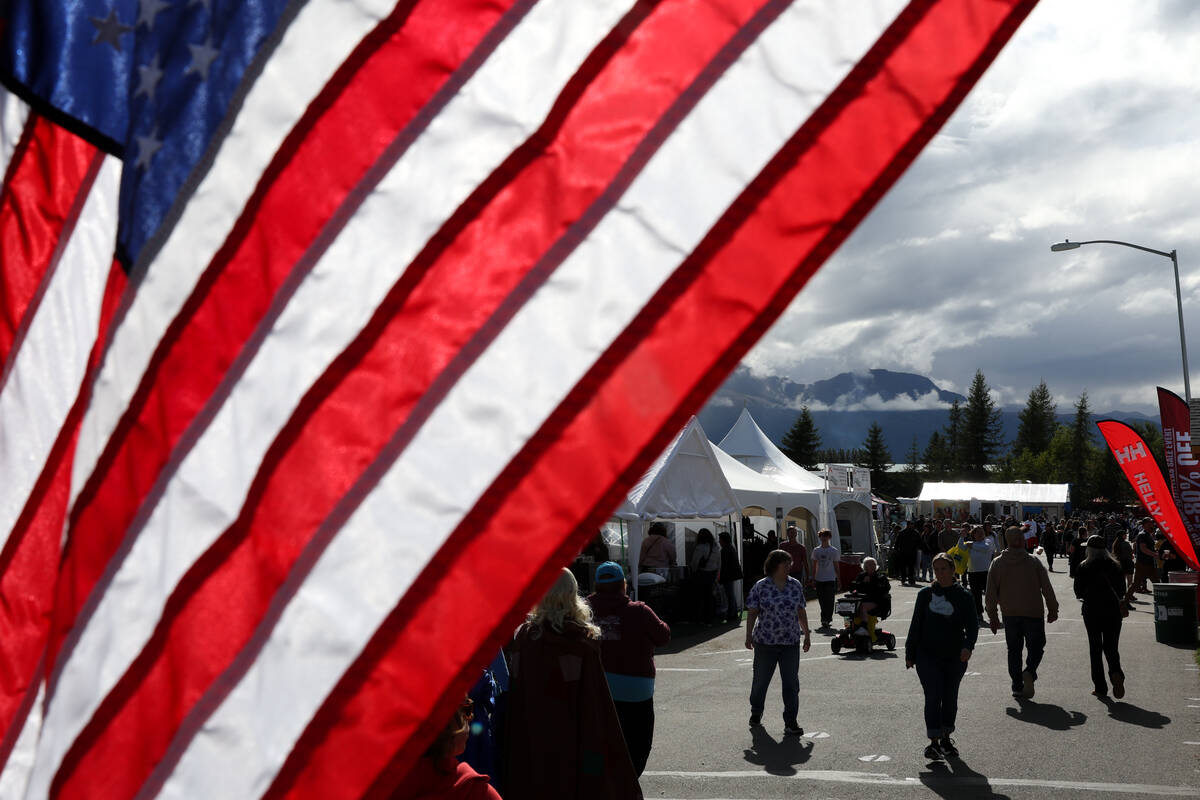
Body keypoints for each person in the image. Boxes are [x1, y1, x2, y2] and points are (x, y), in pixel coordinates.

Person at [504, 569, 642, 799]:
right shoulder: (582, 642)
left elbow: (517, 693)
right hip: (575, 735)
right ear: (572, 594)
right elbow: (596, 702)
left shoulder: (525, 639)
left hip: (532, 735)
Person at [587, 562, 671, 777]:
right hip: (636, 689)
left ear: (596, 585)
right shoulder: (640, 611)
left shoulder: (584, 613)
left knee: (601, 743)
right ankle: (629, 782)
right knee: (639, 744)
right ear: (623, 585)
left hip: (598, 689)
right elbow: (664, 636)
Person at [905, 553, 977, 761]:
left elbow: (972, 626)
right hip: (927, 655)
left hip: (954, 656)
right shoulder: (925, 594)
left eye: (943, 568)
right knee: (933, 696)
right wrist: (910, 653)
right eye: (936, 569)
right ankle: (934, 742)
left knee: (950, 698)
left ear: (953, 570)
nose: (939, 573)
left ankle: (946, 738)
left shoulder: (964, 596)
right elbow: (915, 625)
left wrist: (968, 647)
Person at [985, 527, 1058, 699]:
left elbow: (990, 594)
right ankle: (1030, 671)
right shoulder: (1033, 561)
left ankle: (1017, 685)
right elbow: (1047, 588)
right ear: (1022, 539)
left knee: (1014, 650)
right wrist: (1053, 609)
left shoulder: (997, 563)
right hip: (1033, 612)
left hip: (1010, 613)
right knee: (1037, 647)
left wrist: (993, 617)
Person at [744, 549, 812, 735]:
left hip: (790, 641)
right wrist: (748, 635)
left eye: (790, 564)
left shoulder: (795, 585)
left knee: (791, 683)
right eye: (786, 564)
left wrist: (806, 634)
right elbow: (752, 612)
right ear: (775, 566)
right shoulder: (761, 586)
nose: (789, 567)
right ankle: (756, 711)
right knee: (760, 682)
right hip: (765, 642)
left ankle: (791, 721)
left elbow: (801, 611)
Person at [395, 697, 503, 799]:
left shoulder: (386, 783)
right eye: (466, 709)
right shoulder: (476, 792)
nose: (471, 717)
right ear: (446, 719)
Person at [1074, 535, 1128, 699]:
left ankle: (1100, 687)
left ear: (1089, 549)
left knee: (1095, 648)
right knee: (1111, 647)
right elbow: (1121, 590)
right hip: (1112, 610)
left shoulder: (1084, 566)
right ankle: (1116, 672)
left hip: (1092, 610)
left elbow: (1078, 592)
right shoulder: (1115, 565)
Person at [957, 525, 996, 619]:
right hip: (973, 572)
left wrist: (972, 545)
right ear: (973, 535)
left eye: (981, 531)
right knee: (976, 594)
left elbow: (985, 548)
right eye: (977, 532)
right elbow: (961, 547)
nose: (980, 533)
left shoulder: (988, 541)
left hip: (986, 572)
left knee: (989, 594)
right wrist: (962, 537)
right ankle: (979, 613)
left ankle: (990, 608)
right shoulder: (969, 543)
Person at [848, 556, 891, 642]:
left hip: (877, 602)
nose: (872, 566)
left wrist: (869, 584)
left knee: (862, 606)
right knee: (849, 607)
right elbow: (852, 587)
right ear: (864, 566)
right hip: (862, 600)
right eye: (869, 565)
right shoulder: (861, 576)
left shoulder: (880, 577)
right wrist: (863, 583)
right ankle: (852, 627)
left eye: (873, 564)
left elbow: (884, 589)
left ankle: (863, 628)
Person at [811, 529, 841, 631]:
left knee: (829, 600)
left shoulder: (834, 551)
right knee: (821, 600)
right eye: (822, 536)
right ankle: (825, 617)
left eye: (826, 536)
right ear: (820, 537)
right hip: (819, 579)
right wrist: (813, 578)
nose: (823, 538)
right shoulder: (816, 550)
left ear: (829, 537)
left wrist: (839, 580)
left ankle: (826, 619)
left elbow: (836, 566)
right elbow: (814, 566)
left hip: (830, 578)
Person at [689, 528, 721, 625]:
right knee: (710, 597)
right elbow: (719, 564)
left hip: (701, 574)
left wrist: (693, 571)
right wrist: (717, 575)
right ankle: (709, 618)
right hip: (712, 574)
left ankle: (698, 618)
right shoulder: (716, 547)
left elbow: (694, 562)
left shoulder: (700, 547)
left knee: (699, 597)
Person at [1123, 518, 1158, 605]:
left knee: (1138, 583)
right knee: (1155, 582)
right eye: (1150, 523)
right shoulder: (1142, 535)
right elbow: (1143, 549)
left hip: (1147, 562)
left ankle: (1126, 600)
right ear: (1145, 524)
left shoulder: (1148, 534)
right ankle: (1125, 601)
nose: (1152, 525)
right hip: (1143, 563)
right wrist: (1155, 554)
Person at [718, 531, 744, 623]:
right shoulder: (731, 548)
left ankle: (731, 613)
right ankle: (733, 612)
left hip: (728, 575)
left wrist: (720, 576)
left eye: (720, 540)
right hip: (731, 575)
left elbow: (724, 565)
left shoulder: (725, 550)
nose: (719, 542)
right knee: (731, 594)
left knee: (730, 595)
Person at [892, 521, 920, 586]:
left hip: (912, 553)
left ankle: (911, 580)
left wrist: (918, 548)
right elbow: (897, 542)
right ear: (908, 525)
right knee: (903, 567)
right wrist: (895, 549)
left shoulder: (916, 533)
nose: (912, 526)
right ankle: (903, 579)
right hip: (903, 553)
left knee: (911, 567)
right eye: (911, 524)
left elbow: (919, 542)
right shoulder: (902, 533)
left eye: (913, 524)